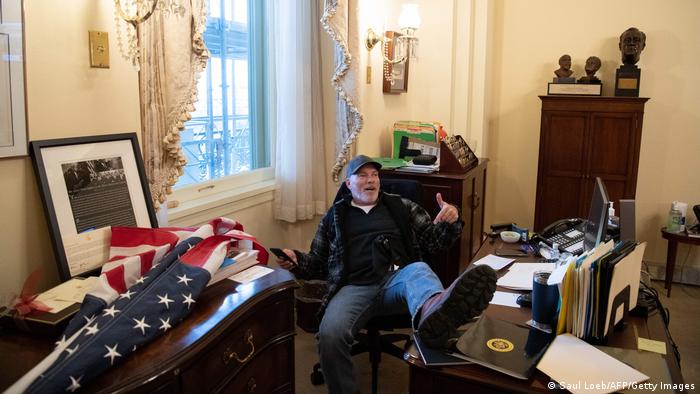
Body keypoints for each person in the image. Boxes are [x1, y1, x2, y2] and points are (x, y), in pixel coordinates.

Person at [276, 155, 497, 394]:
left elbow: (435, 241)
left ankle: (434, 314)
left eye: (375, 175)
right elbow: (317, 264)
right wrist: (297, 261)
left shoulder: (401, 206)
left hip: (398, 281)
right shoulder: (334, 218)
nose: (370, 180)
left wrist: (450, 219)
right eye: (362, 175)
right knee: (329, 336)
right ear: (348, 184)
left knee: (419, 270)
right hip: (354, 288)